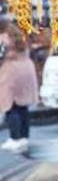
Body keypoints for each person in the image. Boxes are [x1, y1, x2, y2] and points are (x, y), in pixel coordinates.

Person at [0, 20, 38, 154]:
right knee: (23, 107)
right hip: (27, 71)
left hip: (11, 73)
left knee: (10, 107)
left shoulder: (2, 39)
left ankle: (14, 138)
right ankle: (23, 137)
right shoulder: (21, 37)